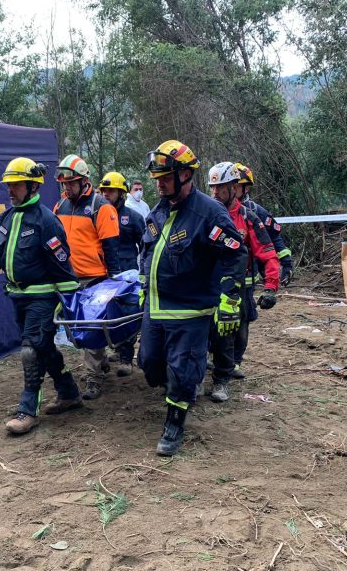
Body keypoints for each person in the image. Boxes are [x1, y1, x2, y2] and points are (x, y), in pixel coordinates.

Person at [138, 140, 247, 456]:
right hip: (155, 309)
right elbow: (147, 253)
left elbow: (235, 255)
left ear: (186, 175)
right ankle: (177, 389)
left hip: (191, 310)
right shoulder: (157, 212)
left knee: (182, 371)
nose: (158, 184)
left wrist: (229, 299)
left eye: (165, 177)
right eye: (156, 178)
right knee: (149, 366)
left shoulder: (208, 213)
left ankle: (174, 424)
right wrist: (142, 289)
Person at [0, 157, 82, 435]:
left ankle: (27, 409)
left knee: (30, 350)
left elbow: (63, 267)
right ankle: (68, 391)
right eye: (9, 185)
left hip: (43, 297)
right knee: (44, 347)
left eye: (16, 185)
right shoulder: (5, 219)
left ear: (33, 186)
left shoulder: (47, 221)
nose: (10, 190)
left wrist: (70, 304)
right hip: (17, 297)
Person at [207, 162, 279, 401]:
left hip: (240, 287)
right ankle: (201, 374)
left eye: (221, 188)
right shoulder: (204, 212)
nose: (215, 193)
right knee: (204, 332)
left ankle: (222, 378)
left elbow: (267, 252)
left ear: (235, 188)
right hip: (207, 286)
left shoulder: (249, 217)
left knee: (232, 332)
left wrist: (271, 286)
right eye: (212, 188)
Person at [53, 154, 121, 400]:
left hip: (95, 278)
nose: (67, 187)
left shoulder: (101, 207)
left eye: (71, 183)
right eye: (64, 184)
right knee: (76, 329)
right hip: (68, 278)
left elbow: (111, 247)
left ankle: (92, 376)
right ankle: (101, 361)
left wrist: (114, 280)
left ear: (84, 181)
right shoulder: (60, 206)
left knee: (91, 328)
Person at [98, 171, 146, 377]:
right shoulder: (97, 214)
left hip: (127, 275)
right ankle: (115, 350)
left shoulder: (133, 217)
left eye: (111, 191)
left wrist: (142, 271)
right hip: (103, 274)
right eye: (104, 190)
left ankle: (126, 358)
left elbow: (146, 245)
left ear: (121, 193)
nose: (106, 194)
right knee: (107, 314)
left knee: (127, 315)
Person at [234, 164, 293, 286]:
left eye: (237, 186)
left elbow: (274, 237)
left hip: (247, 277)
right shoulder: (216, 211)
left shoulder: (256, 212)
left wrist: (287, 264)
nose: (232, 189)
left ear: (246, 188)